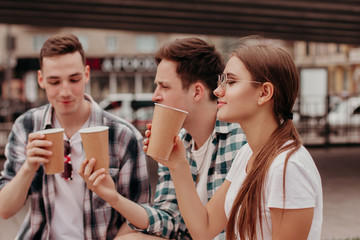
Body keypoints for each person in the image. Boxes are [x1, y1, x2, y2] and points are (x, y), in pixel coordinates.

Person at [144, 37, 323, 240]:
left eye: (231, 81)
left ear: (264, 92)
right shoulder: (248, 154)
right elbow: (204, 228)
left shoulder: (288, 167)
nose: (218, 90)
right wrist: (177, 165)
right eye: (222, 81)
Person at [79, 37, 247, 239]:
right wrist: (114, 198)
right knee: (127, 237)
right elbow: (169, 220)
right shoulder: (177, 140)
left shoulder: (240, 140)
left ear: (196, 92)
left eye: (164, 87)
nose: (154, 96)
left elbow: (240, 228)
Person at [0, 34, 150, 239]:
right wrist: (28, 168)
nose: (65, 91)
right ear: (41, 79)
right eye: (54, 82)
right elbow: (5, 210)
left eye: (74, 79)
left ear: (87, 74)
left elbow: (141, 216)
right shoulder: (26, 127)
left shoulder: (123, 136)